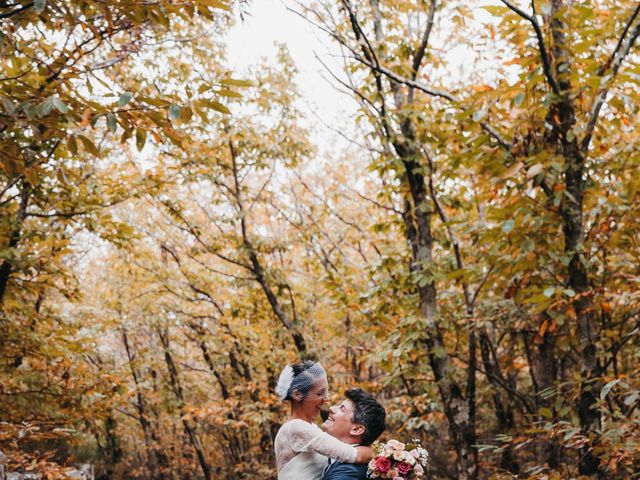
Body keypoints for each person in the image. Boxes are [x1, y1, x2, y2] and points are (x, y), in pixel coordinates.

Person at [273, 361, 372, 479]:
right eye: (320, 393)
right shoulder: (296, 428)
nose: (326, 399)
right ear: (297, 394)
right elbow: (353, 455)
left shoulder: (311, 428)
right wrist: (384, 452)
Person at [321, 388, 386, 480]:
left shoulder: (348, 471)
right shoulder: (334, 457)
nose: (331, 408)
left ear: (356, 429)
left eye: (342, 409)